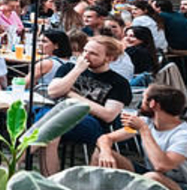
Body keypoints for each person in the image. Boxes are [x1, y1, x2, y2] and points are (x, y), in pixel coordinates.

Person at [92, 84, 187, 190]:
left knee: (153, 178)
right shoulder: (148, 122)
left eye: (144, 99)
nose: (140, 104)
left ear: (153, 104)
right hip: (151, 181)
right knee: (100, 151)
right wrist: (105, 152)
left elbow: (161, 166)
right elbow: (105, 138)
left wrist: (144, 130)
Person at [38, 36, 132, 175]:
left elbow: (108, 115)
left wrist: (71, 94)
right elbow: (53, 92)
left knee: (48, 129)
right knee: (48, 129)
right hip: (56, 112)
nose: (86, 56)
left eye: (93, 54)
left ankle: (17, 163)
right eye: (85, 51)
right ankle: (49, 181)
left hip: (90, 123)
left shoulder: (119, 82)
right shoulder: (70, 67)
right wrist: (77, 70)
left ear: (109, 58)